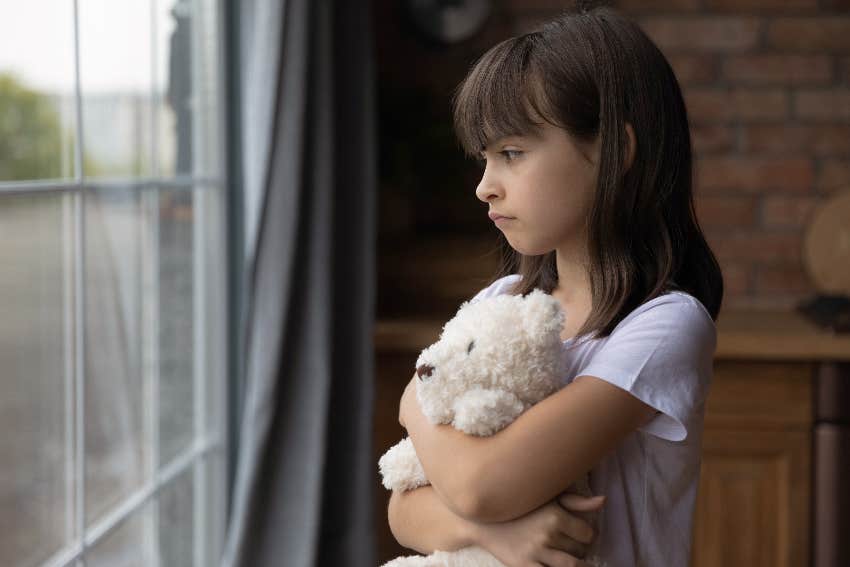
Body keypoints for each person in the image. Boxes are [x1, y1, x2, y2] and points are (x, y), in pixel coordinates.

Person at [388, 2, 724, 566]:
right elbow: (401, 510)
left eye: (512, 154)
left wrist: (411, 403)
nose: (484, 187)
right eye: (484, 158)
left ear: (616, 153)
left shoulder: (663, 325)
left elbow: (480, 488)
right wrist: (498, 536)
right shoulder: (500, 303)